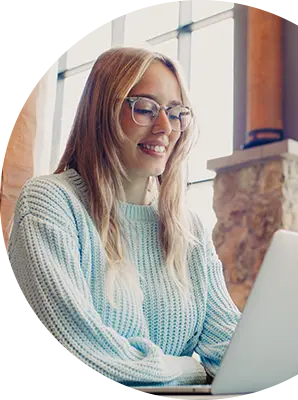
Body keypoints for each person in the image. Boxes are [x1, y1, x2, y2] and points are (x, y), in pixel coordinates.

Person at [8, 47, 241, 387]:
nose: (165, 127)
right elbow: (80, 356)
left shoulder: (187, 229)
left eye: (176, 113)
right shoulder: (50, 203)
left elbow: (229, 349)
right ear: (102, 112)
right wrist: (188, 368)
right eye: (145, 108)